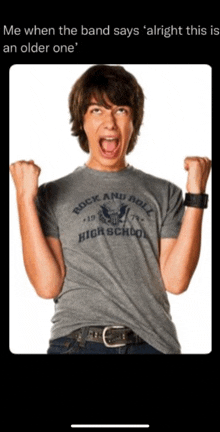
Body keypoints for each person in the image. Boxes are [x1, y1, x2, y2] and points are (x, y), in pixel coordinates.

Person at [9, 65, 211, 354]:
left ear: (134, 121)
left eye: (120, 110)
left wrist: (196, 195)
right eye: (97, 110)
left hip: (152, 343)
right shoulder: (52, 194)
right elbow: (47, 286)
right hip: (77, 343)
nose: (110, 123)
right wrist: (24, 199)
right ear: (82, 120)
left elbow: (176, 282)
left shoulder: (164, 193)